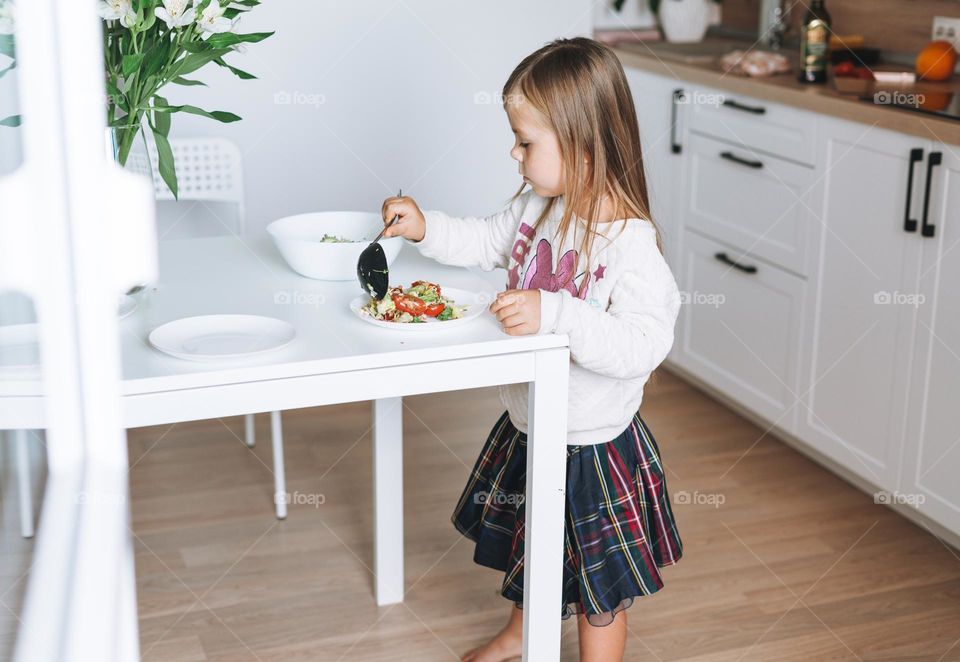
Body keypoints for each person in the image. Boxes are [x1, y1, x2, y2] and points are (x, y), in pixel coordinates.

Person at [380, 36, 683, 662]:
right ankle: (522, 634)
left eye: (525, 141)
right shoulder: (535, 207)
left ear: (581, 143)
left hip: (594, 445)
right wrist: (426, 226)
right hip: (531, 422)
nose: (513, 154)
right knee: (533, 546)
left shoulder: (630, 245)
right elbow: (482, 240)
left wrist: (557, 313)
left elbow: (642, 346)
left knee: (598, 589)